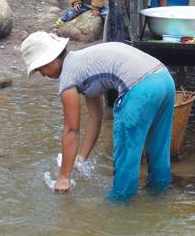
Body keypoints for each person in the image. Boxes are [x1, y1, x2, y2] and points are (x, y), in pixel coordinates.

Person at [20, 32, 175, 201]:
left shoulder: (68, 76)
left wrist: (64, 178)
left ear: (51, 59)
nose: (42, 74)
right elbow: (95, 118)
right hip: (164, 79)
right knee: (158, 150)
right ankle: (160, 199)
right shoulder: (84, 63)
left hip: (141, 89)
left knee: (127, 159)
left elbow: (71, 130)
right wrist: (80, 159)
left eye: (40, 68)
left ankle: (118, 209)